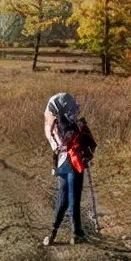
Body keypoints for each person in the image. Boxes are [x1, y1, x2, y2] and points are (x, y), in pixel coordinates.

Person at [43, 92, 86, 245]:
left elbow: (55, 147)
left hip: (62, 162)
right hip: (75, 162)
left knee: (62, 198)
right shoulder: (76, 124)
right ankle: (76, 233)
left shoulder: (51, 126)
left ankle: (53, 233)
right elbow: (86, 144)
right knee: (74, 198)